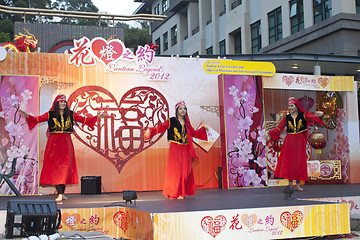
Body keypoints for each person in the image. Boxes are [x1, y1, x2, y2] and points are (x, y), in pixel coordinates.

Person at [19, 94, 108, 202]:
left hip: (66, 143)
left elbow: (84, 119)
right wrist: (26, 115)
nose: (63, 104)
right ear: (56, 104)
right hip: (54, 145)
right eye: (60, 102)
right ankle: (60, 193)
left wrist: (97, 117)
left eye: (64, 102)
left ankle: (62, 193)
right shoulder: (50, 114)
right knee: (56, 169)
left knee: (65, 168)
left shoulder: (70, 114)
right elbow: (37, 119)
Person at [144, 101, 208, 199]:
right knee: (176, 172)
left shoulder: (187, 123)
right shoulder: (171, 121)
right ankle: (177, 192)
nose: (183, 110)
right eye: (181, 108)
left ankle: (182, 191)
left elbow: (193, 133)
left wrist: (203, 130)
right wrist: (151, 130)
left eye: (184, 108)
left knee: (186, 172)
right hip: (175, 148)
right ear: (177, 110)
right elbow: (161, 128)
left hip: (186, 149)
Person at [265, 97, 324, 192]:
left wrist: (319, 115)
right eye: (289, 106)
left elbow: (314, 118)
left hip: (300, 141)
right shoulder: (286, 117)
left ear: (296, 107)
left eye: (292, 105)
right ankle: (290, 184)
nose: (290, 107)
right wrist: (268, 132)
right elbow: (279, 128)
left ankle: (297, 185)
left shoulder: (303, 115)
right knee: (290, 163)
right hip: (289, 141)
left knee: (299, 163)